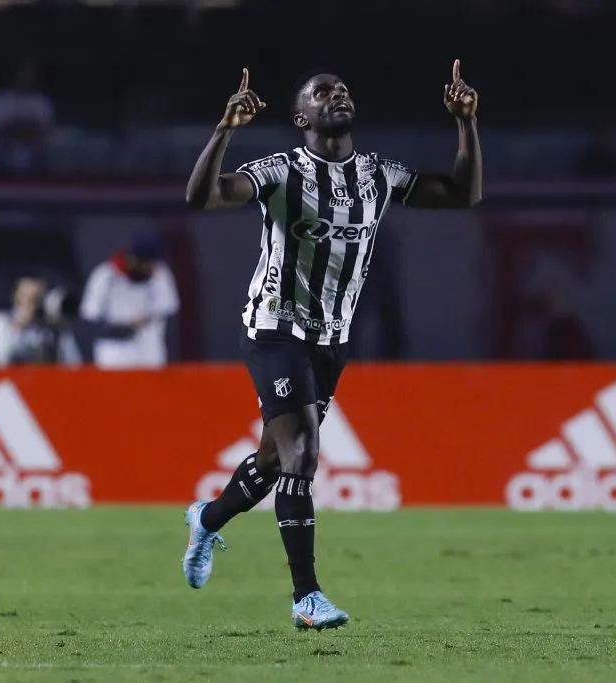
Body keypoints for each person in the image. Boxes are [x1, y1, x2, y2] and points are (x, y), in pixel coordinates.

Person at [182, 61, 482, 631]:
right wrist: (224, 130)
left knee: (274, 461)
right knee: (302, 453)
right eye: (321, 92)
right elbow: (205, 198)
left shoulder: (379, 175)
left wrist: (466, 122)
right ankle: (307, 598)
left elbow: (463, 194)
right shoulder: (280, 171)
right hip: (275, 327)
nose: (336, 94)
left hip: (331, 339)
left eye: (341, 89)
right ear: (301, 117)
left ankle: (208, 519)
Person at [79, 233, 181, 369]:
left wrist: (146, 319)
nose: (152, 269)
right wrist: (125, 327)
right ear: (133, 260)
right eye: (147, 264)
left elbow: (167, 308)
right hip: (114, 356)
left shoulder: (160, 274)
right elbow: (90, 319)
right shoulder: (105, 276)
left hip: (149, 355)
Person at [0, 276, 81, 367]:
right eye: (32, 299)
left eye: (39, 297)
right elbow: (1, 360)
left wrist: (59, 328)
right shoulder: (3, 321)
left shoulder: (51, 326)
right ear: (17, 296)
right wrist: (20, 325)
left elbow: (73, 364)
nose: (36, 303)